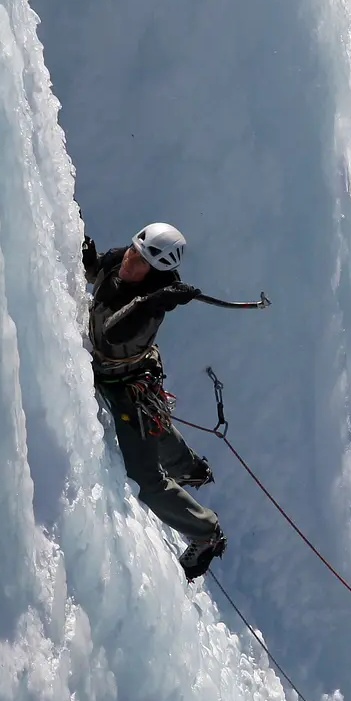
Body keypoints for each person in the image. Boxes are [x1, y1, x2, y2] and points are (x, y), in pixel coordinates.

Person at [82, 223, 225, 579]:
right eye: (134, 250)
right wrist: (87, 256)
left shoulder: (149, 312)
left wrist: (153, 302)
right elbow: (101, 271)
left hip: (127, 383)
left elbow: (115, 329)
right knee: (153, 421)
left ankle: (204, 533)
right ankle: (188, 467)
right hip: (134, 378)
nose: (131, 260)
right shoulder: (122, 260)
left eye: (142, 261)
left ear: (156, 273)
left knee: (144, 477)